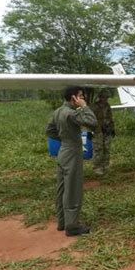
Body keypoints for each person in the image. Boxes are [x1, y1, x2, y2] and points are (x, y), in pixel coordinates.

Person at [46, 86, 98, 236]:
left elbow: (49, 130)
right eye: (81, 96)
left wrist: (64, 139)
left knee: (61, 188)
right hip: (73, 153)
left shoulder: (58, 112)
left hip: (63, 151)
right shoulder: (71, 113)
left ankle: (62, 222)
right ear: (73, 98)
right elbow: (92, 122)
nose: (83, 99)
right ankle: (72, 226)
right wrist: (85, 107)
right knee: (73, 189)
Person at [90, 90, 116, 176]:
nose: (106, 99)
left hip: (107, 130)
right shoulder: (94, 107)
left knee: (107, 148)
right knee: (98, 149)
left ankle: (105, 166)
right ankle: (97, 167)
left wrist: (112, 129)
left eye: (107, 97)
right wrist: (90, 131)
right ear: (100, 97)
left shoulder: (107, 106)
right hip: (98, 131)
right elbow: (89, 120)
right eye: (104, 97)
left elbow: (110, 117)